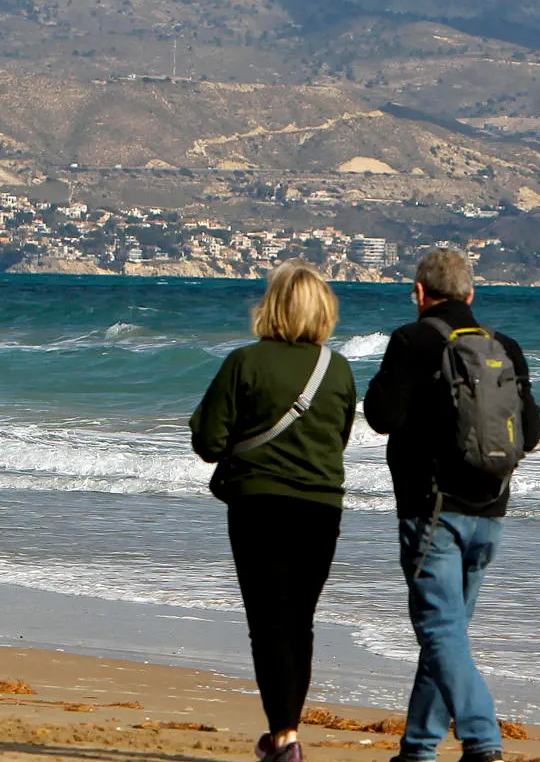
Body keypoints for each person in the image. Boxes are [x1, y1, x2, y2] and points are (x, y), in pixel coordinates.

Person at [364, 247, 540, 762]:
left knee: (440, 631)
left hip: (431, 511)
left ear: (420, 294)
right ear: (471, 293)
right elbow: (529, 434)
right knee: (449, 635)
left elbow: (381, 416)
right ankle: (418, 748)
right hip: (491, 510)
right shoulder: (503, 346)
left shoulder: (411, 339)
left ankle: (483, 739)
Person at [191, 260, 359, 762]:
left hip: (259, 504)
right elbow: (342, 437)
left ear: (272, 307)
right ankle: (287, 732)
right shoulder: (340, 368)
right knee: (299, 620)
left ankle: (284, 736)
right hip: (321, 507)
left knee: (268, 621)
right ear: (323, 311)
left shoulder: (245, 362)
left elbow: (208, 441)